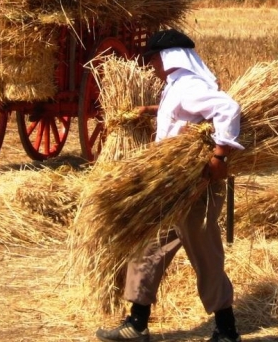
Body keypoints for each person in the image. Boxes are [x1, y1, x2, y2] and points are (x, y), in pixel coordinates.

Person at [95, 29, 244, 342]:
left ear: (168, 57)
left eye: (154, 59)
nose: (152, 67)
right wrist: (148, 112)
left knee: (205, 256)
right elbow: (183, 116)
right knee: (147, 247)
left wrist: (220, 155)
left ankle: (227, 331)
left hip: (194, 186)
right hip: (171, 187)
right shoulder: (176, 86)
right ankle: (137, 324)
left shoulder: (188, 85)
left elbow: (228, 109)